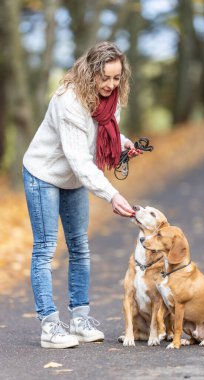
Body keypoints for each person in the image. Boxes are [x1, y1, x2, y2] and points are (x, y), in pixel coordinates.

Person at [22, 41, 141, 349]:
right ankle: (50, 325)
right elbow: (78, 158)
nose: (111, 84)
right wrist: (112, 195)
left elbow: (101, 131)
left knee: (80, 247)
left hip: (74, 180)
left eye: (117, 78)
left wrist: (123, 142)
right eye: (105, 77)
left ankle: (79, 319)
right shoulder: (68, 101)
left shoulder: (111, 98)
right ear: (90, 72)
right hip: (44, 175)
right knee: (46, 249)